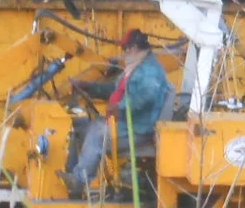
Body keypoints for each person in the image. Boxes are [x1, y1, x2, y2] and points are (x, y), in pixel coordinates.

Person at [75, 29, 175, 157]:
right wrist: (89, 87)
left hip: (137, 129)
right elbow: (116, 90)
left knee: (96, 135)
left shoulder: (150, 70)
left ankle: (81, 176)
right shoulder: (135, 66)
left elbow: (146, 97)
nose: (124, 52)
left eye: (125, 47)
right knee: (79, 128)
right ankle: (74, 172)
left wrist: (120, 107)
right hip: (125, 124)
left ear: (134, 48)